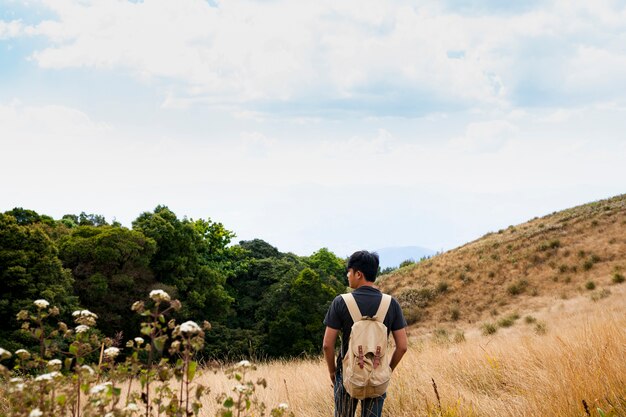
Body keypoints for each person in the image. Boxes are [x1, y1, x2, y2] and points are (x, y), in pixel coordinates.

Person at [323, 250, 408, 417]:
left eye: (349, 272)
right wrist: (387, 370)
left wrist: (333, 372)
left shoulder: (340, 302)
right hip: (378, 375)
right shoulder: (391, 304)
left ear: (358, 274)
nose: (348, 275)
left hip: (347, 375)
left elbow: (327, 345)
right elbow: (403, 347)